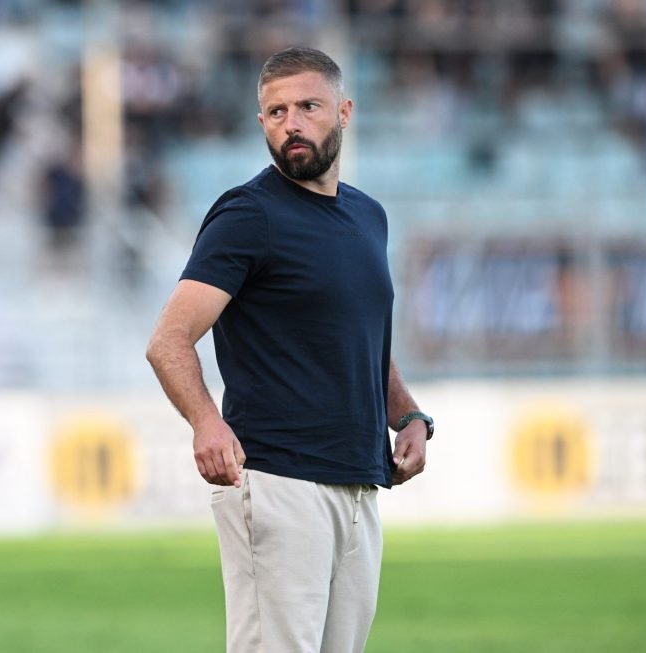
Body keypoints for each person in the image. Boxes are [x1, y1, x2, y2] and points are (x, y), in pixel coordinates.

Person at [146, 47, 435, 653]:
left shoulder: (369, 216)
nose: (291, 124)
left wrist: (407, 414)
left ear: (344, 112)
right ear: (261, 123)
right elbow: (169, 340)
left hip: (360, 481)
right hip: (278, 480)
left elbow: (362, 337)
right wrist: (206, 422)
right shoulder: (247, 215)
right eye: (276, 112)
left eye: (308, 107)